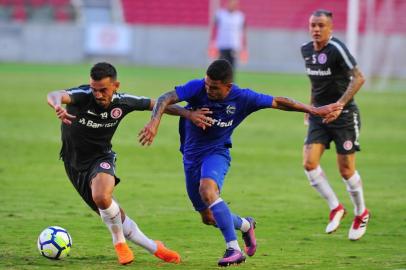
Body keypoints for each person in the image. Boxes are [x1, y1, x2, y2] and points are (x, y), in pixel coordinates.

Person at [138, 59, 342, 267]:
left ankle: (233, 249)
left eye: (214, 88)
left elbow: (279, 102)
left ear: (228, 86)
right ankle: (246, 225)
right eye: (207, 85)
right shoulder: (197, 87)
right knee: (208, 217)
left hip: (217, 153)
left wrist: (314, 110)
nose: (208, 90)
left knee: (207, 189)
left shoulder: (243, 97)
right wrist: (155, 122)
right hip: (190, 157)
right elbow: (165, 98)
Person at [46, 62, 212, 265]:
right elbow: (55, 93)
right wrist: (56, 105)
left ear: (115, 85)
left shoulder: (123, 102)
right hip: (73, 164)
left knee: (101, 195)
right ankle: (154, 247)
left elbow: (157, 103)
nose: (98, 95)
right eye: (94, 89)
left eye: (103, 90)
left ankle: (119, 243)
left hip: (101, 158)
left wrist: (188, 114)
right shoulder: (82, 96)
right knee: (112, 212)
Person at [301, 9, 369, 241]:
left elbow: (359, 77)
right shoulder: (306, 50)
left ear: (330, 28)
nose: (316, 29)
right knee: (309, 164)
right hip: (319, 115)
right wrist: (310, 109)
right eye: (313, 25)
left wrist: (339, 104)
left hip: (344, 116)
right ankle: (336, 207)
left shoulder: (337, 49)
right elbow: (315, 82)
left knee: (346, 170)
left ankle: (361, 212)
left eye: (321, 25)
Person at [208, 0, 248, 70]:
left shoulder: (240, 16)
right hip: (222, 45)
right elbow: (214, 28)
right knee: (221, 67)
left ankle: (230, 81)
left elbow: (243, 31)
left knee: (231, 67)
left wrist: (244, 47)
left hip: (234, 45)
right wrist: (212, 42)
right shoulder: (220, 14)